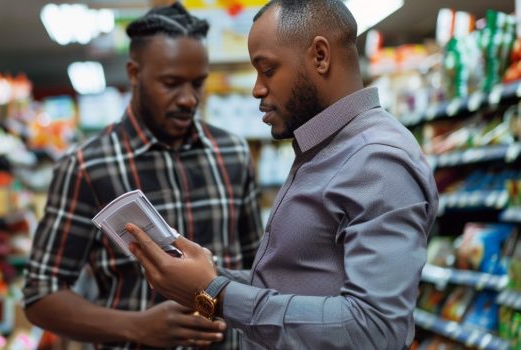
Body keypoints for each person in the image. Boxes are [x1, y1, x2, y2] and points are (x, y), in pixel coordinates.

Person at [126, 1, 439, 349]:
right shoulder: (323, 149)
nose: (257, 89)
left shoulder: (377, 160)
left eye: (268, 70)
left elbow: (375, 328)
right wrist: (208, 276)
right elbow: (299, 282)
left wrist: (216, 293)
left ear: (320, 56)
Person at [22, 2, 265, 349]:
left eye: (198, 84)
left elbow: (257, 269)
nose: (188, 99)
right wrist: (136, 327)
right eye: (171, 83)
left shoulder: (233, 154)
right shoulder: (86, 166)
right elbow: (39, 295)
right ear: (134, 74)